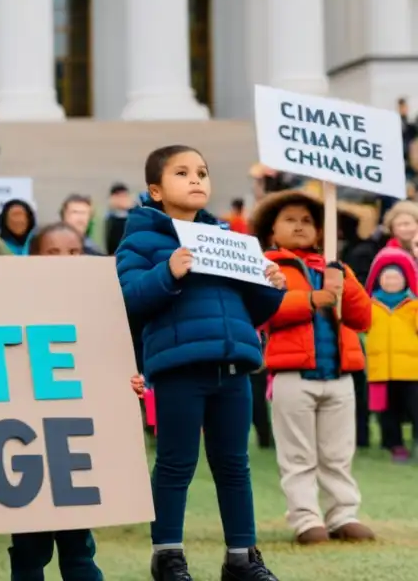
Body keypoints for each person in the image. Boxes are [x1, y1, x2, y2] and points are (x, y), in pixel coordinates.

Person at [115, 145, 285, 581]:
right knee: (175, 464)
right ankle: (168, 555)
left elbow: (251, 308)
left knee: (234, 465)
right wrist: (166, 272)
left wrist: (272, 287)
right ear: (155, 190)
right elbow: (127, 299)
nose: (196, 180)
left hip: (232, 368)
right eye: (183, 173)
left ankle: (242, 557)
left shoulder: (228, 239)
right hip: (177, 371)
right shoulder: (140, 241)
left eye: (203, 173)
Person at [251, 190, 374, 544]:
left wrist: (344, 285)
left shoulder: (337, 267)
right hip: (292, 376)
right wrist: (310, 299)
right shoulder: (266, 267)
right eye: (290, 219)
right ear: (272, 230)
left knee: (338, 453)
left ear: (321, 232)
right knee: (299, 454)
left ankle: (343, 514)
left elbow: (362, 318)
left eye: (308, 221)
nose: (300, 226)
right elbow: (265, 311)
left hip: (339, 376)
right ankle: (306, 520)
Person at [8, 222, 99, 581]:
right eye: (53, 253)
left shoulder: (97, 309)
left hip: (73, 443)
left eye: (75, 252)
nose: (66, 261)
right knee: (30, 548)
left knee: (79, 546)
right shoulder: (12, 309)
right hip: (23, 443)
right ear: (32, 259)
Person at [365, 247, 418, 463]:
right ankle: (395, 445)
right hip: (381, 370)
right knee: (387, 412)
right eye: (387, 277)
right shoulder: (369, 305)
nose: (392, 281)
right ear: (379, 280)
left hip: (412, 370)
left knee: (415, 409)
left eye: (397, 277)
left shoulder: (413, 306)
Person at [104, 183, 132, 255]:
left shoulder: (134, 218)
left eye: (125, 196)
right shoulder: (107, 219)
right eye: (119, 197)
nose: (122, 200)